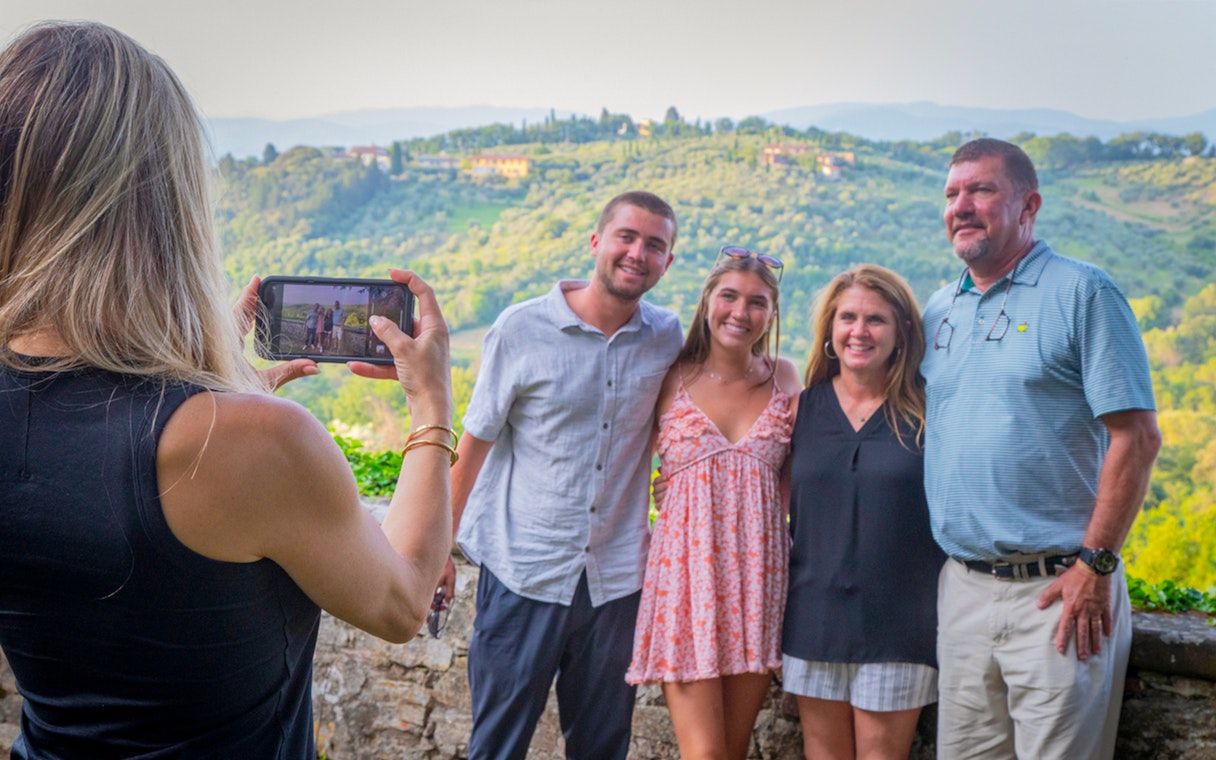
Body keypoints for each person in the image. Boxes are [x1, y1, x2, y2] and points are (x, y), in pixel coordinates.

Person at [0, 22, 453, 758]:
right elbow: (403, 602)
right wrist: (432, 408)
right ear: (165, 202)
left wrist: (215, 395)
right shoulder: (251, 442)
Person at [921, 138, 1161, 759]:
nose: (962, 206)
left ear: (1029, 205)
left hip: (1059, 593)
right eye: (952, 194)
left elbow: (1137, 438)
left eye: (982, 190)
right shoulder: (940, 309)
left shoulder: (1083, 293)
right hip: (964, 588)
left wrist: (1097, 564)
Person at [442, 191, 682, 759]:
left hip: (616, 581)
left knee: (602, 748)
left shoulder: (667, 338)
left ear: (667, 262)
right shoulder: (521, 329)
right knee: (497, 746)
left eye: (654, 245)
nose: (637, 253)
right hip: (524, 572)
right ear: (597, 241)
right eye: (627, 236)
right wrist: (436, 554)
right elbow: (472, 448)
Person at [627, 248, 800, 759]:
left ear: (771, 313)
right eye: (729, 296)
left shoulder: (785, 378)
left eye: (757, 302)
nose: (740, 313)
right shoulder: (669, 375)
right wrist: (674, 489)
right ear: (708, 301)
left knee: (733, 750)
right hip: (686, 584)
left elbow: (798, 481)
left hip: (758, 583)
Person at [782, 264, 944, 760]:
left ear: (902, 334)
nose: (859, 331)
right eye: (847, 317)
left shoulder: (929, 412)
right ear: (830, 330)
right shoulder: (797, 410)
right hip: (812, 618)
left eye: (876, 320)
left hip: (900, 623)